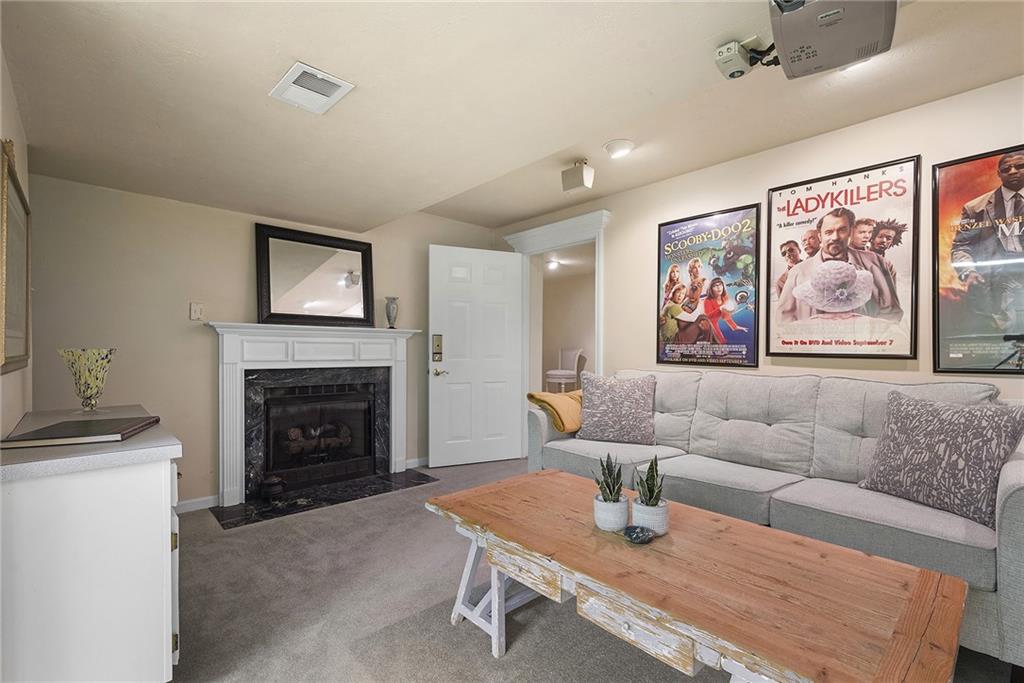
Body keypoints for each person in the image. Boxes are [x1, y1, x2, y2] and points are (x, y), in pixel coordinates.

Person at [778, 207, 902, 323]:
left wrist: (870, 339)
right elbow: (784, 317)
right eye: (829, 232)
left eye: (842, 230)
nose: (835, 237)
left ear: (850, 232)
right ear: (820, 236)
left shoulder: (876, 263)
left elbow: (892, 313)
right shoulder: (798, 272)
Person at [952, 150, 1024, 330]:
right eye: (1007, 169)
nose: (1013, 171)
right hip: (997, 280)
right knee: (1009, 334)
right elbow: (961, 246)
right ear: (999, 174)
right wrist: (968, 271)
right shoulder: (975, 208)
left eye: (1020, 166)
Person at [704, 277, 747, 343]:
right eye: (715, 286)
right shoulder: (707, 300)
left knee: (722, 342)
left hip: (713, 323)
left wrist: (735, 326)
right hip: (706, 324)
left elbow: (726, 316)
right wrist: (720, 309)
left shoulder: (725, 297)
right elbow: (709, 318)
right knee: (719, 341)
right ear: (711, 289)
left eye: (720, 285)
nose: (719, 288)